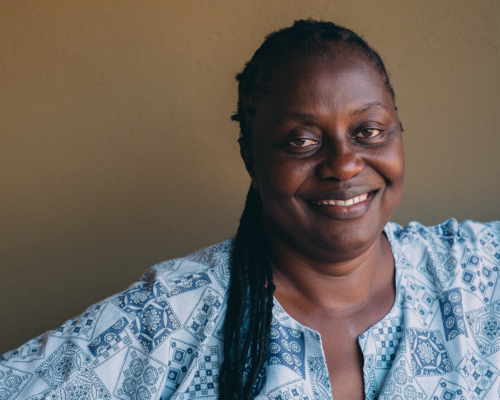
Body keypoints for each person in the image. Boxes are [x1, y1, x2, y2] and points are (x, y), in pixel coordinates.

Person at [1, 19, 499, 400]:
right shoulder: (169, 317)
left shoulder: (476, 272)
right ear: (251, 159)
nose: (345, 164)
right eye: (301, 140)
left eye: (368, 131)